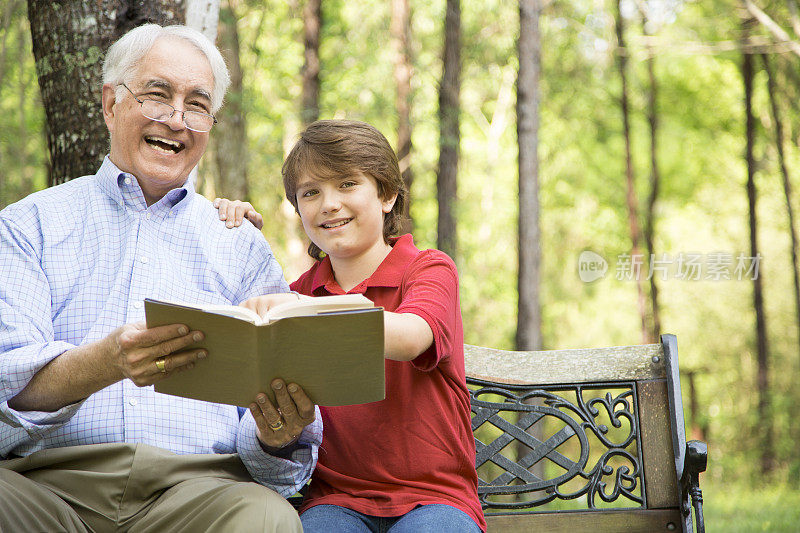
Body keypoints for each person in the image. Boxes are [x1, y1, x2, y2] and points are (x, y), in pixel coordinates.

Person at [0, 24, 320, 533]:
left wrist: (276, 435)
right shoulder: (29, 226)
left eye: (197, 105)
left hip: (197, 495)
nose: (176, 120)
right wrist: (102, 364)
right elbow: (3, 390)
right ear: (111, 104)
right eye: (157, 95)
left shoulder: (238, 244)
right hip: (46, 487)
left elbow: (280, 461)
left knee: (265, 517)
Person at [217, 119, 486, 532]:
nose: (328, 203)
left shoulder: (428, 269)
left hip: (434, 499)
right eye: (311, 193)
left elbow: (412, 336)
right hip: (335, 501)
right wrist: (224, 229)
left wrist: (301, 310)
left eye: (346, 184)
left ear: (387, 194)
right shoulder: (298, 293)